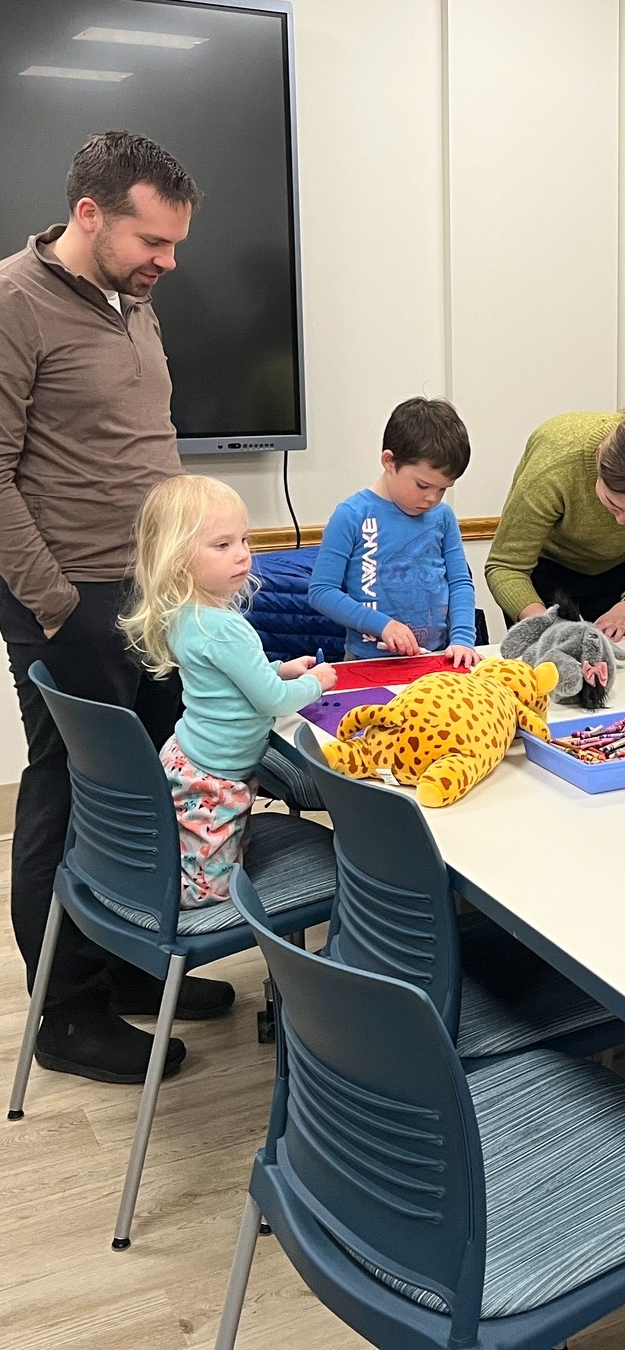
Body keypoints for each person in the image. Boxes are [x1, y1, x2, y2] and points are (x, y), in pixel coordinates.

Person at [0, 131, 233, 1085]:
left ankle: (133, 964)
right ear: (89, 216)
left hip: (153, 597)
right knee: (70, 793)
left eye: (176, 245)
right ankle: (65, 1009)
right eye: (154, 243)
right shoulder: (14, 302)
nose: (168, 265)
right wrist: (59, 607)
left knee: (151, 791)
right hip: (73, 603)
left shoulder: (130, 302)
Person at [120, 476, 335, 904]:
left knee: (206, 853)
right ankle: (162, 901)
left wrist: (281, 668)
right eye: (222, 545)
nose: (242, 554)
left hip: (195, 757)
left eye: (243, 540)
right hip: (214, 779)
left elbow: (230, 679)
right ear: (178, 559)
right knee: (206, 890)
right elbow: (272, 701)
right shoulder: (223, 628)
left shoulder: (189, 613)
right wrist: (315, 682)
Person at [485, 404, 625, 643]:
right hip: (544, 569)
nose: (622, 522)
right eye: (613, 504)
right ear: (599, 458)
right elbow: (507, 566)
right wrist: (544, 623)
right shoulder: (555, 464)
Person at [308, 398, 478, 664]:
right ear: (389, 461)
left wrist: (462, 639)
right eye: (422, 485)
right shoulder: (352, 515)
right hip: (367, 660)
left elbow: (459, 582)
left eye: (443, 489)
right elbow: (321, 591)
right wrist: (382, 625)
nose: (433, 498)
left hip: (435, 656)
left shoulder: (442, 517)